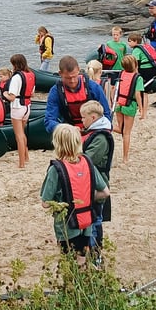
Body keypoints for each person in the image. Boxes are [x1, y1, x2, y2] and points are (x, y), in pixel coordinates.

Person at [40, 124, 109, 260]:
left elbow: (45, 203)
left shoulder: (56, 170)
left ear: (56, 144)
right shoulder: (87, 163)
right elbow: (105, 192)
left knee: (70, 261)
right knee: (83, 259)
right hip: (86, 223)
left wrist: (65, 204)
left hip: (66, 227)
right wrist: (85, 199)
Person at [79, 100, 114, 260]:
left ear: (93, 118)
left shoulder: (100, 138)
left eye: (84, 118)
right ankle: (91, 251)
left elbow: (88, 160)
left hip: (98, 184)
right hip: (93, 182)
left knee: (94, 220)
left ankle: (95, 255)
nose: (82, 121)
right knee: (91, 218)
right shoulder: (95, 133)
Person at [44, 55, 112, 134]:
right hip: (69, 133)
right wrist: (67, 129)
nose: (72, 81)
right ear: (60, 73)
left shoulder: (93, 87)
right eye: (68, 78)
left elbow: (106, 114)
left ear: (78, 70)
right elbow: (49, 121)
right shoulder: (55, 92)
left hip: (93, 131)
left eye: (74, 76)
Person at [112, 55, 147, 164]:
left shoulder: (121, 74)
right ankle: (125, 158)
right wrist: (141, 109)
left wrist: (113, 102)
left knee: (121, 129)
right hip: (129, 106)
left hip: (118, 104)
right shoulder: (138, 78)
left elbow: (114, 89)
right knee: (126, 133)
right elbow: (137, 94)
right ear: (135, 65)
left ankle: (109, 126)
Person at [3, 53, 35, 169]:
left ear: (15, 65)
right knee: (23, 133)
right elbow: (32, 93)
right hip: (27, 107)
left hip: (17, 107)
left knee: (19, 136)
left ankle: (21, 163)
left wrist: (5, 94)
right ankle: (26, 157)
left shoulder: (17, 77)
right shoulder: (31, 75)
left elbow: (12, 97)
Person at [98, 26, 128, 103]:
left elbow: (124, 54)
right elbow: (106, 54)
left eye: (117, 35)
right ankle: (112, 100)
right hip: (112, 67)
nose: (115, 36)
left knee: (121, 84)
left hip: (121, 67)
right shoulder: (109, 43)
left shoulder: (123, 45)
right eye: (113, 35)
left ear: (120, 35)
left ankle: (119, 98)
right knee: (112, 85)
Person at [126, 33, 156, 97]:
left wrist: (135, 72)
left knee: (141, 86)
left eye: (130, 41)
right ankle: (147, 92)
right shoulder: (144, 47)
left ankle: (140, 99)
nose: (128, 43)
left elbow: (136, 62)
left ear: (135, 41)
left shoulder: (136, 50)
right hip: (153, 68)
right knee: (146, 87)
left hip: (145, 69)